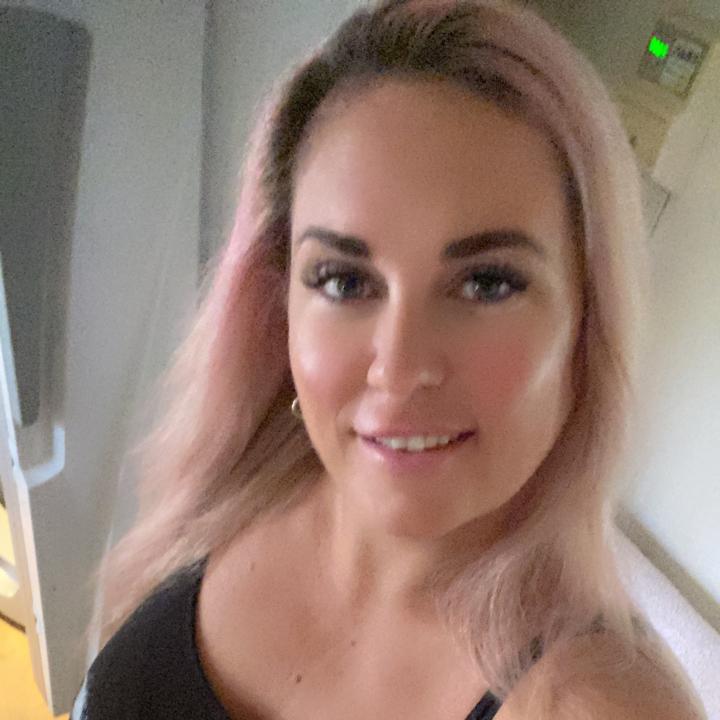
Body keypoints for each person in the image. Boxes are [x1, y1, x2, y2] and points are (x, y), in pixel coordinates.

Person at [70, 1, 706, 718]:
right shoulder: (229, 487)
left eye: (486, 283)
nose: (398, 369)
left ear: (586, 324)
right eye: (345, 281)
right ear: (280, 301)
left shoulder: (600, 704)